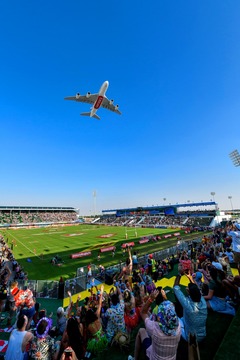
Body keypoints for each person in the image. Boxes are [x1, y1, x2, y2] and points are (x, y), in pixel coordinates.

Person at [128, 290, 181, 360]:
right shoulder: (179, 327)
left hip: (153, 358)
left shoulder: (154, 328)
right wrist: (165, 298)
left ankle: (135, 358)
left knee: (141, 330)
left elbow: (143, 312)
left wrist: (151, 299)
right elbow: (169, 312)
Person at [173, 271, 207, 342]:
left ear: (188, 291)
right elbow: (197, 289)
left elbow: (176, 288)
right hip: (203, 334)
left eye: (187, 287)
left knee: (174, 317)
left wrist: (179, 274)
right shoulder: (203, 301)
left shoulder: (188, 306)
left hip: (191, 338)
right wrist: (190, 278)